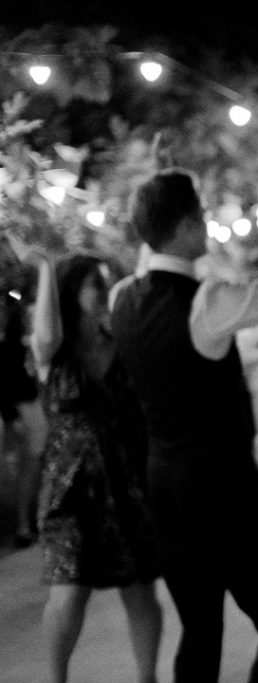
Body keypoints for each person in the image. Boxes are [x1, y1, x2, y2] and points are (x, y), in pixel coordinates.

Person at [110, 168, 258, 682]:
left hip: (164, 484)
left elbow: (153, 254)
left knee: (199, 630)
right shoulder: (206, 303)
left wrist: (157, 182)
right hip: (222, 487)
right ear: (192, 225)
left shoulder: (123, 297)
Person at [7, 236, 162, 683]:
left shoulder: (121, 344)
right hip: (70, 488)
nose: (106, 290)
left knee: (140, 591)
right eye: (97, 284)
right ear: (75, 290)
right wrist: (45, 268)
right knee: (68, 593)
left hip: (124, 482)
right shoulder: (52, 354)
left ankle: (147, 678)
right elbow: (49, 331)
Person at [0, 296, 47, 548]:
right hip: (23, 409)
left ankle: (35, 521)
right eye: (29, 317)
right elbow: (3, 383)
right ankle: (24, 525)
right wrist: (11, 415)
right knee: (27, 468)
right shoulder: (9, 347)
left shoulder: (34, 343)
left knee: (36, 466)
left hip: (36, 406)